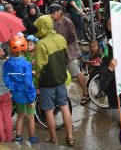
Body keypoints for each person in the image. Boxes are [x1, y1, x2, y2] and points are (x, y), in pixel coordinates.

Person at [34, 15, 74, 146]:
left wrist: (36, 78)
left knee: (49, 110)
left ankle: (54, 139)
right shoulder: (61, 38)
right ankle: (70, 137)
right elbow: (66, 58)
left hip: (47, 82)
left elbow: (40, 67)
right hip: (61, 79)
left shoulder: (40, 44)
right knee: (64, 107)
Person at [49, 4, 89, 105]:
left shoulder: (66, 21)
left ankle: (86, 93)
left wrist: (61, 42)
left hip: (69, 52)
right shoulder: (52, 22)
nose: (52, 15)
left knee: (76, 73)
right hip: (59, 53)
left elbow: (73, 36)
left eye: (54, 13)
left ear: (59, 12)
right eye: (51, 13)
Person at [3, 35, 38, 144]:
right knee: (31, 116)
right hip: (27, 95)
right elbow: (28, 83)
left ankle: (18, 136)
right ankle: (32, 137)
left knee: (21, 115)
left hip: (17, 94)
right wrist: (31, 98)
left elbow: (6, 78)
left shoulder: (6, 64)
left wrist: (14, 87)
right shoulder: (25, 64)